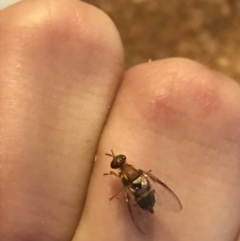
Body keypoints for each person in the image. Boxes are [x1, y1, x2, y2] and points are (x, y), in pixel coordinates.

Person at [1, 0, 240, 240]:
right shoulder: (134, 173)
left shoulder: (124, 177)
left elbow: (129, 192)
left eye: (117, 163)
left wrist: (127, 194)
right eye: (118, 162)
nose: (117, 164)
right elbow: (145, 181)